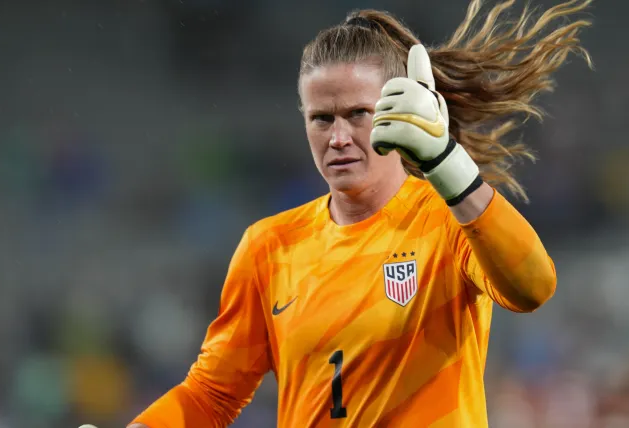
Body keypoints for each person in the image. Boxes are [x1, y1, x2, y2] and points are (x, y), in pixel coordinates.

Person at [125, 1, 593, 427]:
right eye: (321, 118)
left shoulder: (447, 220)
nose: (339, 137)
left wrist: (445, 160)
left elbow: (534, 287)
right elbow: (210, 395)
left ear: (397, 109)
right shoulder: (270, 246)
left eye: (357, 114)